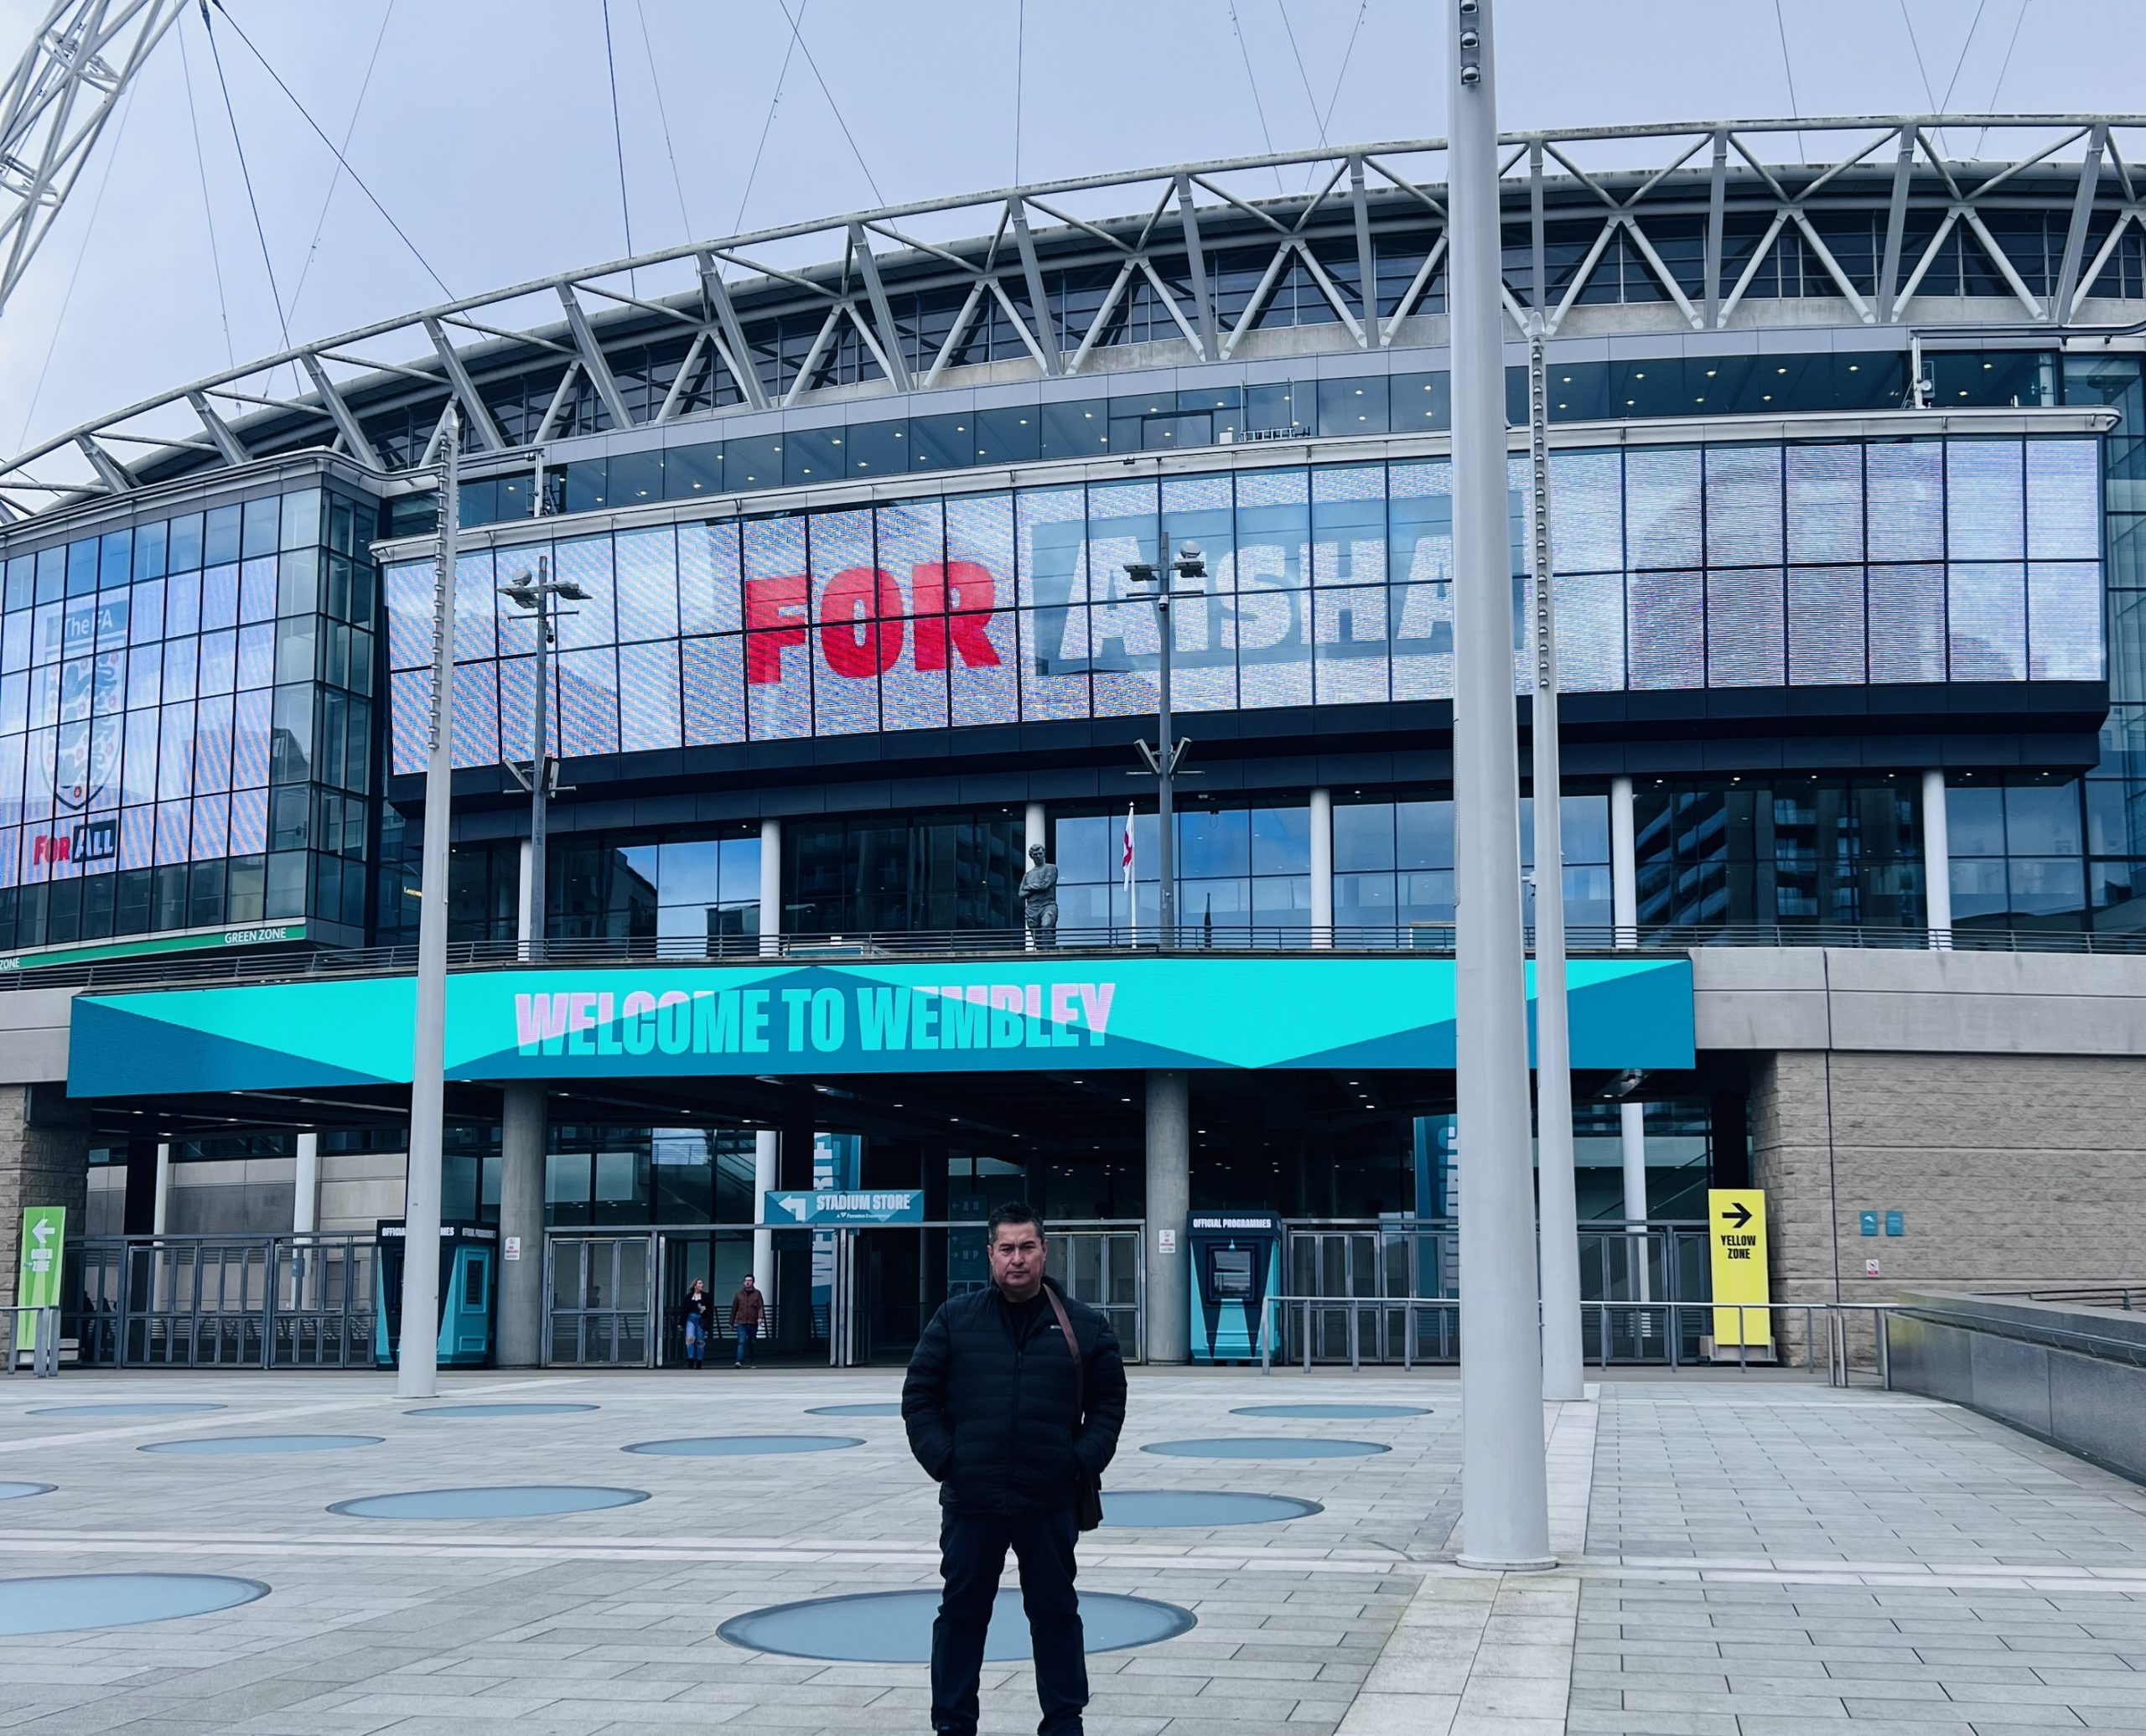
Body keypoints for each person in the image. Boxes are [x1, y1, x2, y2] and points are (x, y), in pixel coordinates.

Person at [903, 1202, 1126, 1736]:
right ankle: (953, 1723)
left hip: (1047, 1500)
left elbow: (1109, 1405)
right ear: (990, 1255)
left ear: (1044, 1251)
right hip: (971, 1502)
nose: (1018, 1259)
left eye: (1027, 1247)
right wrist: (947, 1462)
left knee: (1054, 1613)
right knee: (961, 1614)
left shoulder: (1084, 1325)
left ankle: (1064, 1720)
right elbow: (919, 1397)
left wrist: (1079, 1462)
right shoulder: (955, 1319)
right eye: (1007, 1249)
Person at [730, 1274, 765, 1367]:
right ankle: (739, 1361)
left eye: (750, 1280)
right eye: (746, 1280)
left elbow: (760, 1306)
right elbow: (734, 1309)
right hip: (741, 1322)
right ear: (743, 1282)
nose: (747, 1282)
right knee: (741, 1341)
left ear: (753, 1282)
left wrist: (760, 1317)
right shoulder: (739, 1294)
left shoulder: (757, 1294)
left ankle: (752, 1361)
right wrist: (731, 1322)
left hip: (753, 1322)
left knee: (752, 1342)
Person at [679, 1279, 713, 1370]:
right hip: (691, 1318)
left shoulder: (706, 1296)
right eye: (700, 1283)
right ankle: (691, 1359)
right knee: (690, 1338)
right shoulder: (689, 1297)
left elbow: (709, 1309)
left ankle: (699, 1361)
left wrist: (705, 1313)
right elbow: (684, 1310)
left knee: (700, 1341)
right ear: (695, 1286)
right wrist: (681, 1323)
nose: (702, 1285)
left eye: (702, 1283)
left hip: (701, 1319)